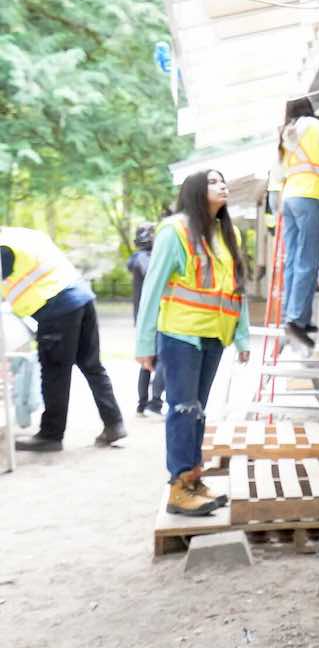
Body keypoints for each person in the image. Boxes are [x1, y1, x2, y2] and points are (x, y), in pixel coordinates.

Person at [134, 170, 251, 516]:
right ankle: (179, 486)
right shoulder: (175, 230)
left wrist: (242, 337)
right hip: (181, 335)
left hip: (215, 335)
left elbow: (235, 289)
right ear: (196, 190)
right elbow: (152, 289)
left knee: (198, 410)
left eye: (223, 180)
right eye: (214, 181)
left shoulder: (226, 234)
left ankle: (194, 479)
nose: (223, 185)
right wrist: (144, 344)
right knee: (183, 409)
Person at [2, 228, 126, 453]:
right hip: (81, 297)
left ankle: (51, 435)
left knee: (55, 372)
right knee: (92, 366)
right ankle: (114, 424)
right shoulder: (22, 235)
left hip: (56, 307)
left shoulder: (4, 248)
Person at [278, 97, 319, 355]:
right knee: (307, 260)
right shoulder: (318, 127)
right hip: (310, 195)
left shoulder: (286, 133)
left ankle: (292, 316)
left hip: (290, 197)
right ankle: (296, 320)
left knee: (293, 260)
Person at [127, 223, 165, 415]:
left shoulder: (141, 258)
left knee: (151, 360)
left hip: (151, 315)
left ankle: (146, 403)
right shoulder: (142, 259)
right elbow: (154, 274)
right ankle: (151, 402)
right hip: (153, 316)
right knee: (158, 359)